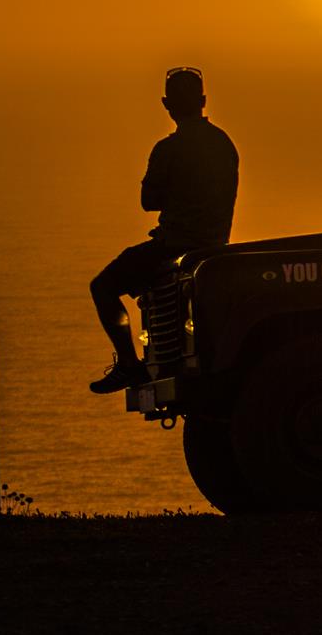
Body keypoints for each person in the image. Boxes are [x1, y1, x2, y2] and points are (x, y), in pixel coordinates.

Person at [88, 66, 239, 394]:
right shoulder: (223, 144)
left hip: (175, 243)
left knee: (103, 286)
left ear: (166, 105)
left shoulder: (168, 149)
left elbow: (148, 200)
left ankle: (129, 364)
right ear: (203, 100)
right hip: (216, 242)